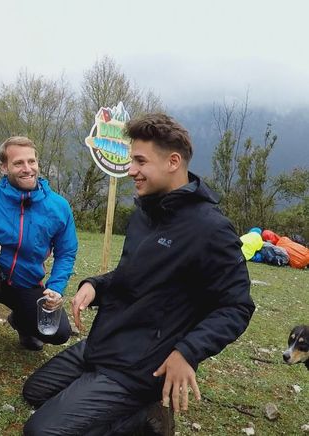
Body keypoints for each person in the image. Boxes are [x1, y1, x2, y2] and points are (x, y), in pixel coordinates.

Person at [21, 114, 255, 435]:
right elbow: (131, 275)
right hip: (106, 344)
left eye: (140, 161)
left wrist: (187, 352)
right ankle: (134, 408)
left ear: (173, 162)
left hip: (141, 365)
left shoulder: (210, 229)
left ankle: (145, 417)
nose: (132, 170)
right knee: (34, 392)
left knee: (41, 431)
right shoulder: (145, 214)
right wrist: (96, 286)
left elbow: (237, 306)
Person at [0, 136, 77, 357]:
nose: (27, 169)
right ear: (4, 167)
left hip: (27, 282)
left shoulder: (59, 206)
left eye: (31, 161)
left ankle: (21, 321)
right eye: (18, 163)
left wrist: (55, 287)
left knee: (59, 333)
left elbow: (66, 252)